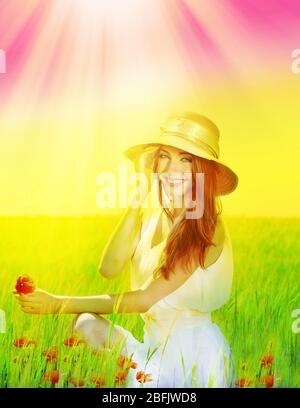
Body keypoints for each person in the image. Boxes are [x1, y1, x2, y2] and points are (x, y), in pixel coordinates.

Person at [14, 112, 239, 388]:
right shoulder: (154, 218)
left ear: (202, 169)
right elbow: (109, 268)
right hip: (152, 348)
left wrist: (58, 304)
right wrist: (138, 198)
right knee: (85, 323)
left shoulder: (206, 224)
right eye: (164, 156)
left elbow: (145, 299)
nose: (171, 169)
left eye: (186, 159)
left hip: (193, 358)